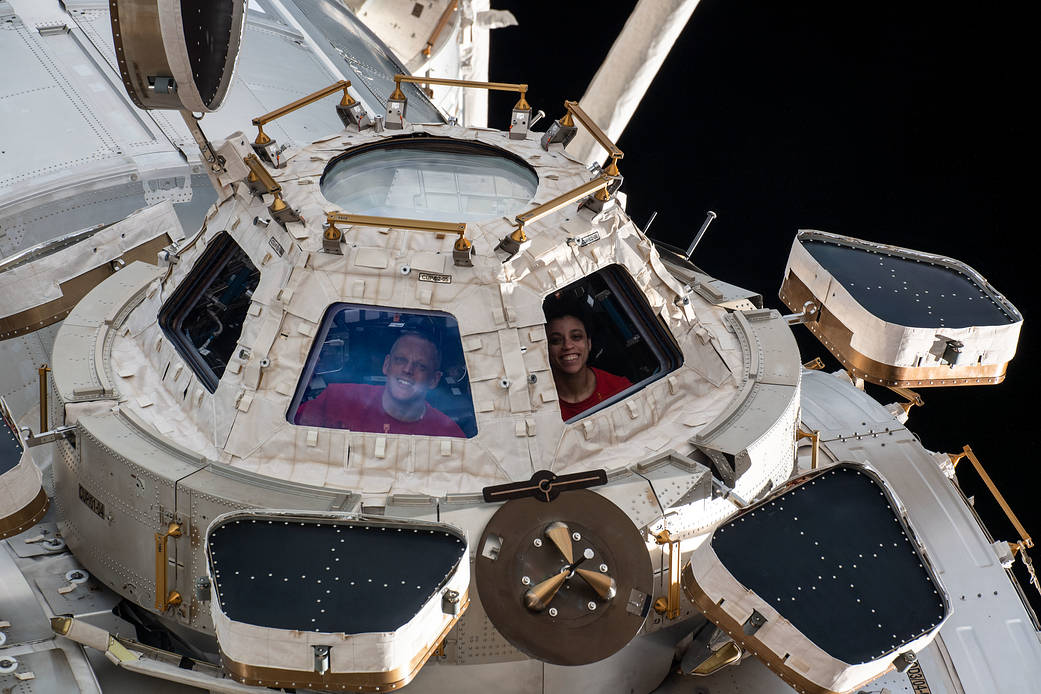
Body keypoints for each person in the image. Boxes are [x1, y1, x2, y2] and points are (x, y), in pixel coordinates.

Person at [295, 332, 464, 437]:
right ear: (386, 365)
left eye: (420, 366)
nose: (407, 369)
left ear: (434, 379)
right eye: (400, 360)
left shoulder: (448, 432)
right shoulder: (336, 398)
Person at [546, 309, 632, 420]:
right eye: (556, 340)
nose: (567, 346)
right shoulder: (540, 409)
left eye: (576, 337)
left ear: (589, 343)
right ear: (545, 349)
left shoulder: (620, 389)